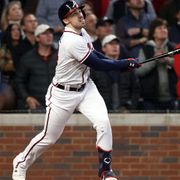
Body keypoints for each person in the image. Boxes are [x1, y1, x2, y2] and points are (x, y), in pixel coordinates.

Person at [12, 1, 140, 180]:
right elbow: (97, 64)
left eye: (80, 11)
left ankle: (105, 169)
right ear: (66, 20)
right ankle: (21, 161)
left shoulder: (82, 31)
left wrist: (124, 64)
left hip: (86, 88)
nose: (80, 15)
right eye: (74, 14)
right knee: (50, 137)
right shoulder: (70, 40)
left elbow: (96, 54)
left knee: (103, 122)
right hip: (62, 94)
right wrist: (123, 64)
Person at [136, 18, 177, 110]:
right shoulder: (145, 49)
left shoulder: (174, 47)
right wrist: (154, 60)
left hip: (172, 97)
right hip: (150, 99)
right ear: (153, 33)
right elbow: (139, 71)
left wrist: (168, 60)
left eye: (165, 28)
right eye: (159, 28)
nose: (163, 30)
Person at [91, 34, 140, 112]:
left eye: (117, 44)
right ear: (103, 48)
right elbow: (90, 92)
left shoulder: (128, 67)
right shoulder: (96, 69)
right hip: (102, 111)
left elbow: (135, 90)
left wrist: (130, 108)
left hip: (124, 112)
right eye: (111, 44)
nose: (115, 46)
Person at [15, 24, 57, 110]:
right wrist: (27, 98)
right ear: (37, 38)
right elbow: (18, 81)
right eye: (45, 33)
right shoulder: (27, 58)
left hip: (59, 103)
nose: (49, 36)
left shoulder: (61, 56)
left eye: (50, 33)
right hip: (37, 104)